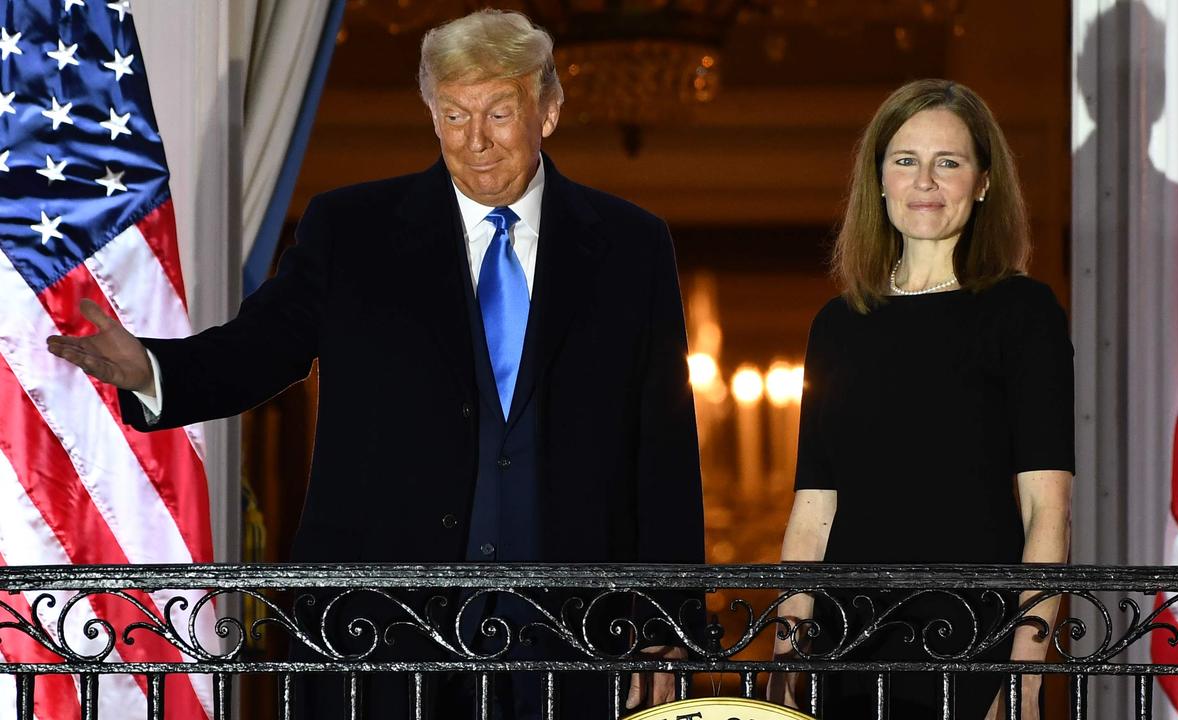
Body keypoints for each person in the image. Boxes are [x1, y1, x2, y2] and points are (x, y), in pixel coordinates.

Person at [46, 9, 704, 719]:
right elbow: (259, 348)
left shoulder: (631, 248)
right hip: (377, 634)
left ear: (548, 110)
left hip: (570, 639)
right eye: (453, 116)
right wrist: (150, 368)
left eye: (499, 113)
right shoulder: (351, 231)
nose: (475, 141)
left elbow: (662, 445)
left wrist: (667, 625)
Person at [767, 79, 1073, 720]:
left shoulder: (1023, 313)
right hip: (847, 646)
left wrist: (1024, 675)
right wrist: (787, 658)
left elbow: (1046, 510)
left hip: (973, 646)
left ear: (984, 182)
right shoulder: (838, 323)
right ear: (878, 179)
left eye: (949, 162)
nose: (925, 181)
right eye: (905, 160)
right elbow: (814, 510)